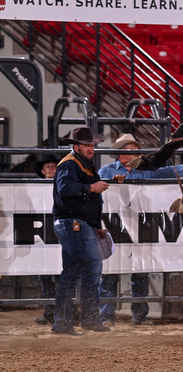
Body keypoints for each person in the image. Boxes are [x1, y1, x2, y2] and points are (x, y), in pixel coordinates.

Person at [98, 133, 183, 326]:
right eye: (131, 150)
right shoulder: (106, 171)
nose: (136, 153)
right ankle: (106, 316)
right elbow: (99, 192)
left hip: (140, 228)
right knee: (110, 275)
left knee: (140, 273)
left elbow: (172, 171)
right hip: (115, 227)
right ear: (120, 153)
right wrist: (113, 185)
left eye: (137, 149)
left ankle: (138, 315)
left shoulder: (146, 170)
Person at [51, 127, 110, 335]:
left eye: (92, 145)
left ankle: (64, 322)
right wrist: (90, 188)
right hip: (73, 223)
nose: (91, 148)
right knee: (91, 265)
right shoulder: (70, 164)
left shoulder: (79, 164)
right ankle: (88, 318)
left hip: (75, 224)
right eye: (87, 145)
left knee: (73, 270)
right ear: (76, 146)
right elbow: (64, 189)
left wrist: (96, 226)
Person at [34, 155, 59, 325]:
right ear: (43, 171)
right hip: (42, 234)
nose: (51, 169)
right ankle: (50, 310)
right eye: (47, 166)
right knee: (45, 277)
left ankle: (64, 310)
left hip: (57, 233)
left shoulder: (63, 185)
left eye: (54, 166)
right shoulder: (35, 189)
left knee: (61, 276)